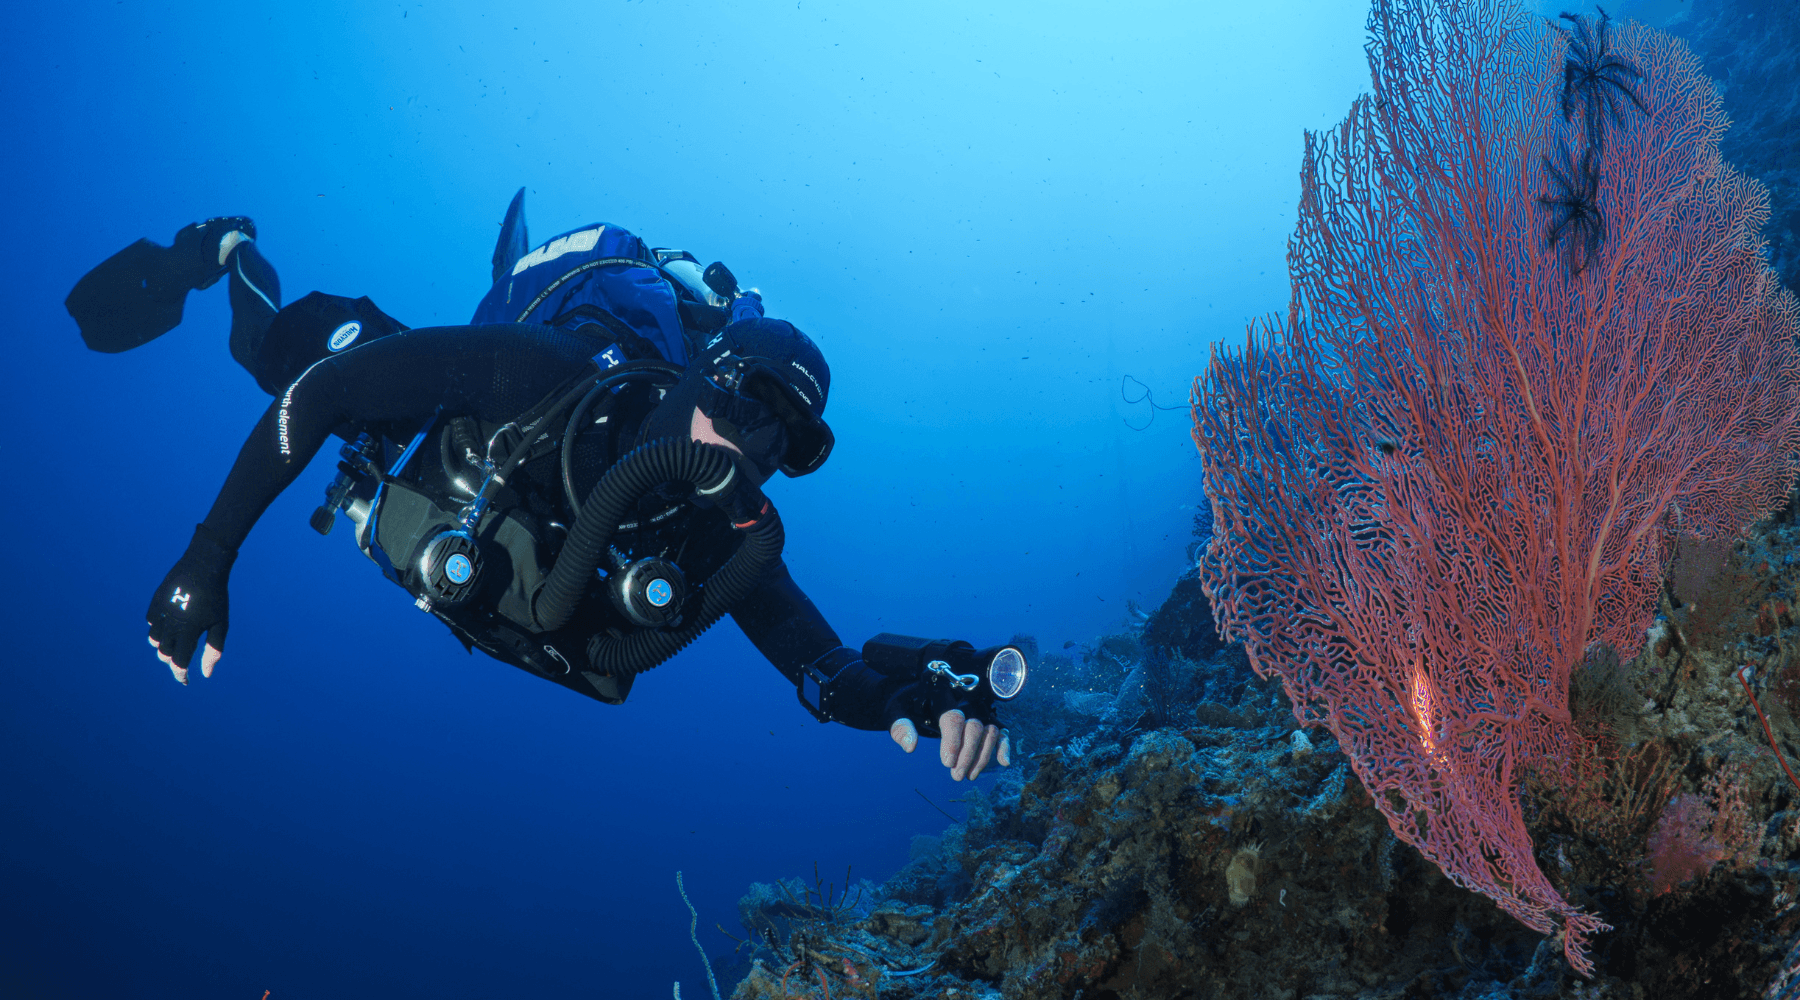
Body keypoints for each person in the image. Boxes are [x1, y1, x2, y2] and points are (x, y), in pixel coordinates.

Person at [65, 196, 1021, 780]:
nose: (754, 447)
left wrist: (915, 691)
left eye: (789, 442)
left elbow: (826, 668)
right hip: (456, 424)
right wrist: (209, 553)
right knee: (277, 353)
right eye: (747, 404)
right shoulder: (548, 371)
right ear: (703, 371)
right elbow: (325, 397)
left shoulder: (724, 538)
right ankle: (226, 247)